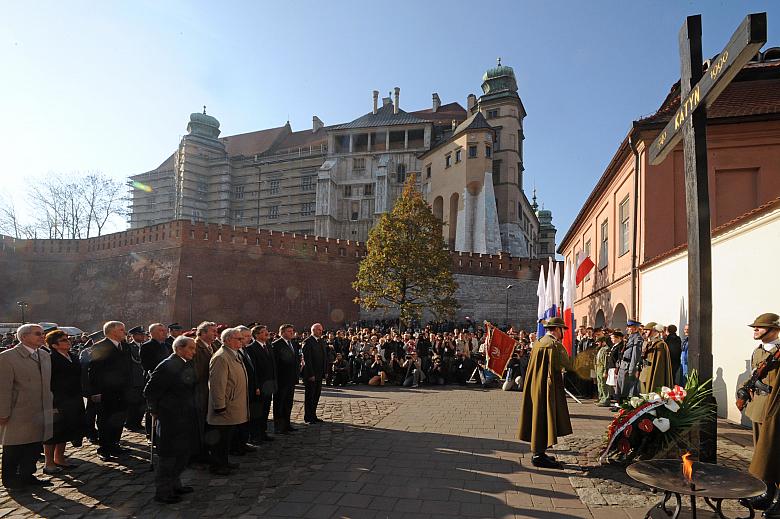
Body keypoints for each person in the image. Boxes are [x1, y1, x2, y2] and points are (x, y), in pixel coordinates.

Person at [144, 336, 199, 504]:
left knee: (182, 453)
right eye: (191, 348)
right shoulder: (167, 365)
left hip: (185, 416)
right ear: (179, 348)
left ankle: (175, 484)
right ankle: (163, 491)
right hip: (171, 418)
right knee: (169, 456)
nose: (194, 352)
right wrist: (155, 410)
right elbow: (150, 391)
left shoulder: (185, 362)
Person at [0, 324, 54, 489]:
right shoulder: (7, 357)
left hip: (40, 409)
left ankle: (27, 475)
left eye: (43, 333)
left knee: (34, 445)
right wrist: (3, 413)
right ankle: (10, 479)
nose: (42, 336)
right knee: (15, 446)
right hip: (18, 411)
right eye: (38, 334)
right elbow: (3, 388)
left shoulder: (44, 355)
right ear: (23, 337)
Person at [518, 317, 577, 469]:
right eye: (562, 329)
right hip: (548, 388)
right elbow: (567, 364)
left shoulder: (539, 342)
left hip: (536, 386)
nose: (563, 332)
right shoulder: (554, 345)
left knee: (539, 417)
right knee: (545, 417)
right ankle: (538, 455)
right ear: (557, 329)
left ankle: (540, 452)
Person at [739, 313, 780, 515]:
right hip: (758, 408)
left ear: (774, 329)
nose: (755, 329)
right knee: (762, 452)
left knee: (775, 452)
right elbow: (754, 376)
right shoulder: (759, 351)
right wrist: (743, 390)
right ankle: (767, 492)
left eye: (760, 327)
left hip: (775, 408)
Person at [87, 321, 132, 461]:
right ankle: (104, 448)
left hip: (122, 391)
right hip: (106, 391)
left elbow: (128, 369)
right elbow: (94, 371)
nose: (124, 332)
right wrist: (95, 392)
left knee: (119, 418)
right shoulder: (100, 346)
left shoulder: (125, 346)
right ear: (112, 332)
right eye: (121, 330)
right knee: (105, 420)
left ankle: (115, 444)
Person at [206, 328, 248, 475]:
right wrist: (219, 405)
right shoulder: (221, 357)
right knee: (220, 439)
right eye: (239, 339)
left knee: (226, 438)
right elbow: (217, 384)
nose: (242, 341)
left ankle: (224, 462)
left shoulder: (233, 354)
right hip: (225, 406)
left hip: (233, 404)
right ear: (228, 340)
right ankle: (217, 465)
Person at [42, 330, 84, 475]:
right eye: (64, 340)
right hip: (57, 399)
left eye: (67, 339)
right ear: (54, 345)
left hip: (73, 398)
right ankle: (49, 463)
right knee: (53, 432)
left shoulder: (72, 356)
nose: (68, 341)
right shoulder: (50, 358)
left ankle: (59, 458)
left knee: (66, 430)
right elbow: (47, 381)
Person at [191, 321, 216, 463]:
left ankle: (206, 451)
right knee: (198, 426)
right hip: (199, 392)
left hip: (209, 391)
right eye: (213, 331)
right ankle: (198, 455)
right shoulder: (195, 347)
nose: (215, 334)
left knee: (207, 424)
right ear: (203, 332)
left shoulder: (213, 346)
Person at [246, 325, 276, 443]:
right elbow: (254, 370)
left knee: (266, 410)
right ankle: (255, 435)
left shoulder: (268, 346)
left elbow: (272, 366)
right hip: (259, 386)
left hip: (269, 385)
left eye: (266, 331)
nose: (266, 333)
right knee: (257, 412)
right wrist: (256, 386)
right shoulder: (251, 348)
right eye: (263, 332)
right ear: (257, 335)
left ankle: (263, 432)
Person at [272, 324, 298, 435]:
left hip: (291, 380)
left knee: (288, 403)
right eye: (289, 331)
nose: (292, 333)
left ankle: (287, 424)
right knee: (279, 403)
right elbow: (275, 364)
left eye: (292, 331)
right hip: (281, 380)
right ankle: (279, 427)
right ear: (282, 333)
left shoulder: (293, 344)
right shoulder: (276, 345)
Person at [302, 323, 327, 424]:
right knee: (310, 396)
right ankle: (308, 417)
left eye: (321, 330)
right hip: (311, 374)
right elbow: (307, 360)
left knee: (316, 395)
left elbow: (324, 357)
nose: (320, 332)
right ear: (313, 330)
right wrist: (311, 374)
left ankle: (313, 415)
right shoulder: (307, 342)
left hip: (320, 373)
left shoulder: (321, 341)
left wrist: (325, 371)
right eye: (318, 330)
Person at [638, 322, 673, 394]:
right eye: (645, 330)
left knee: (651, 394)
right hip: (645, 372)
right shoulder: (647, 342)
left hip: (653, 372)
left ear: (654, 331)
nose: (645, 332)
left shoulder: (660, 344)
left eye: (647, 330)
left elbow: (659, 365)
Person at [125, 326, 147, 432]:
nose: (143, 336)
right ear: (134, 336)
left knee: (142, 403)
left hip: (143, 378)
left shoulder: (145, 346)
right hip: (134, 379)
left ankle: (138, 422)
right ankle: (130, 423)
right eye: (140, 334)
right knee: (133, 404)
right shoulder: (129, 347)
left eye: (143, 334)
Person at [617, 320, 643, 399]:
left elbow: (635, 355)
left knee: (626, 387)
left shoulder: (637, 338)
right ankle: (619, 403)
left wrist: (631, 369)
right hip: (623, 364)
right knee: (620, 385)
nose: (627, 329)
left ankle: (625, 405)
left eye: (629, 327)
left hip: (628, 365)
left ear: (635, 328)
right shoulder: (630, 337)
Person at [594, 337, 611, 407]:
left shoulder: (606, 349)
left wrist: (605, 371)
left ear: (603, 342)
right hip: (598, 368)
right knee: (600, 384)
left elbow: (606, 362)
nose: (597, 344)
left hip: (602, 368)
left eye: (598, 342)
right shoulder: (601, 349)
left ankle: (606, 399)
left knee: (604, 385)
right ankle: (601, 398)